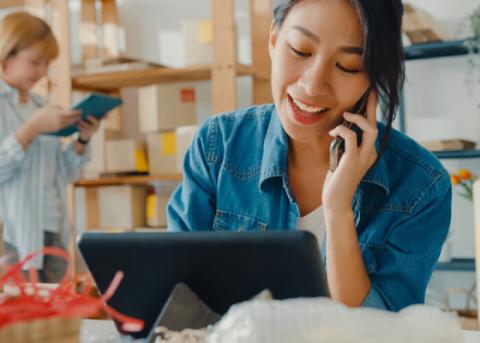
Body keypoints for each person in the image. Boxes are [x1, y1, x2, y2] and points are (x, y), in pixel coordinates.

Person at [167, 0, 451, 312]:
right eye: (301, 50)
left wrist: (338, 209)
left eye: (348, 66)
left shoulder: (421, 186)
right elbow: (178, 301)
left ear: (373, 77)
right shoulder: (218, 145)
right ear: (274, 40)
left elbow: (380, 330)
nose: (313, 85)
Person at [0, 12, 100, 282]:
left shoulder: (40, 106)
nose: (42, 72)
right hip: (12, 236)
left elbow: (64, 174)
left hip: (52, 230)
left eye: (46, 64)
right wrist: (31, 129)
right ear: (7, 53)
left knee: (54, 317)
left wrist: (82, 140)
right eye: (35, 62)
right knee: (17, 318)